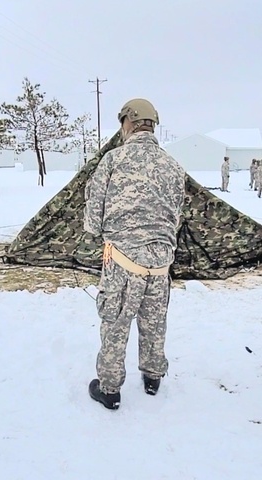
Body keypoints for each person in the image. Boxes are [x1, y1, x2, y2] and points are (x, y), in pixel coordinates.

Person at [84, 98, 186, 410]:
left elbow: (93, 216)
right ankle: (153, 376)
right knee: (154, 321)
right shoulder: (174, 166)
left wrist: (100, 234)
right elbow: (177, 216)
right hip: (161, 261)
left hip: (122, 260)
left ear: (128, 122)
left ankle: (110, 389)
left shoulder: (113, 160)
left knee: (115, 322)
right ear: (152, 124)